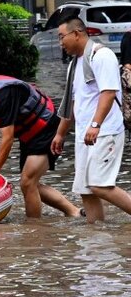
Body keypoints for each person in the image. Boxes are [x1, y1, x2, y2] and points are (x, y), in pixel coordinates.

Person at [0, 63, 80, 218]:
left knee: (28, 182)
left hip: (48, 131)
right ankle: (74, 212)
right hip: (29, 135)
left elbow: (7, 138)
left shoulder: (3, 94)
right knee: (29, 184)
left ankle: (33, 230)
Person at [51, 15, 131, 223]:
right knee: (86, 190)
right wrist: (60, 133)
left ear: (76, 34)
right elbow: (74, 103)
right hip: (84, 135)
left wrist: (96, 125)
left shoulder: (101, 55)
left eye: (62, 37)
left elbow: (109, 93)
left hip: (105, 131)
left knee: (99, 184)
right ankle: (95, 241)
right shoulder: (74, 65)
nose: (61, 43)